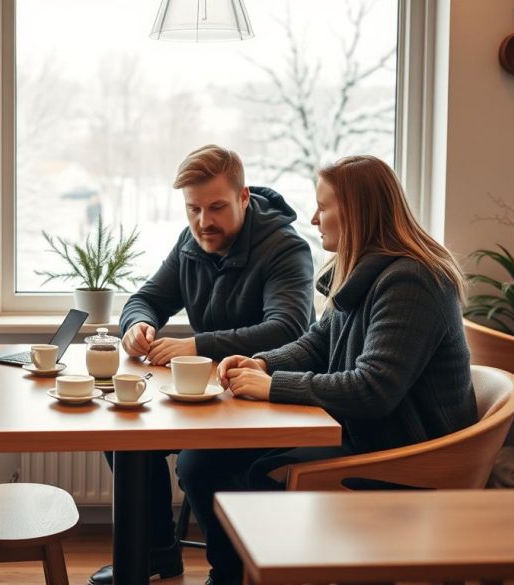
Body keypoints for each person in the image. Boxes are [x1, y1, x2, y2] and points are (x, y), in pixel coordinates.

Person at [178, 155, 478, 584]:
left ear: (356, 213)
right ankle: (230, 577)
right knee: (200, 462)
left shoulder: (412, 281)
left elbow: (374, 389)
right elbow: (318, 344)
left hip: (405, 453)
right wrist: (262, 362)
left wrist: (272, 386)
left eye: (324, 207)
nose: (315, 218)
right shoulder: (363, 270)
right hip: (364, 433)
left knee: (265, 474)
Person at [89, 145, 314, 585]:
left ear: (244, 197)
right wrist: (138, 326)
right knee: (124, 432)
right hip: (207, 392)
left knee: (198, 463)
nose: (203, 222)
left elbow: (288, 328)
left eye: (216, 208)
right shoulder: (191, 242)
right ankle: (156, 554)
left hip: (264, 394)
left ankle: (229, 575)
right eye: (193, 209)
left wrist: (198, 345)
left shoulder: (286, 249)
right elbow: (146, 299)